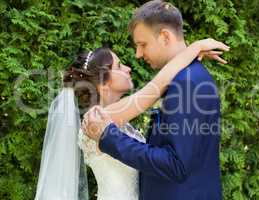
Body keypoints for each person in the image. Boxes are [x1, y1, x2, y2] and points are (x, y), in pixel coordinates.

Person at [83, 1, 228, 200]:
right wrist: (194, 47)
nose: (138, 55)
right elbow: (150, 92)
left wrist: (109, 136)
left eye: (142, 44)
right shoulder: (182, 78)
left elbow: (176, 164)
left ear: (165, 36)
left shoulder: (187, 83)